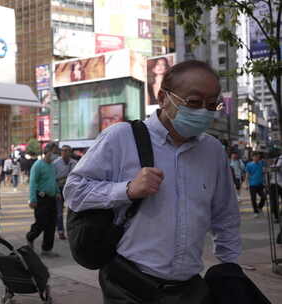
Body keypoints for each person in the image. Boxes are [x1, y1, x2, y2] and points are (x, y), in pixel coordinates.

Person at [65, 60, 241, 303]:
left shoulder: (212, 151)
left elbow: (225, 214)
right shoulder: (121, 138)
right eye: (193, 102)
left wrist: (230, 268)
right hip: (129, 284)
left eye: (211, 104)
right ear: (162, 98)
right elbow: (74, 190)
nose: (203, 111)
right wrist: (126, 190)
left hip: (189, 288)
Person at [26, 142, 61, 258]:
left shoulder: (52, 166)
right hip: (41, 199)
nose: (56, 155)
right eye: (54, 153)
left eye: (57, 153)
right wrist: (32, 199)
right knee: (41, 223)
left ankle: (47, 249)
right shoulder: (38, 165)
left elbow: (53, 181)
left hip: (52, 199)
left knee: (51, 225)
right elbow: (32, 183)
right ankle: (30, 236)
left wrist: (57, 192)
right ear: (47, 152)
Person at [53, 145, 77, 240]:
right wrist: (56, 191)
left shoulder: (74, 163)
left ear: (70, 152)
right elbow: (53, 178)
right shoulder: (56, 163)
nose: (64, 152)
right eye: (63, 151)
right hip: (59, 188)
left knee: (72, 212)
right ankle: (60, 231)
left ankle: (71, 231)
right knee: (59, 212)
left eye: (67, 151)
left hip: (71, 190)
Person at [246, 152, 266, 218]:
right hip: (252, 184)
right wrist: (246, 184)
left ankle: (259, 207)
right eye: (256, 157)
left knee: (263, 197)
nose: (257, 158)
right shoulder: (249, 165)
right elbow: (247, 175)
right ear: (253, 157)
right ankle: (255, 212)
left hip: (260, 184)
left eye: (258, 157)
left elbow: (265, 169)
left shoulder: (262, 163)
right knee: (253, 199)